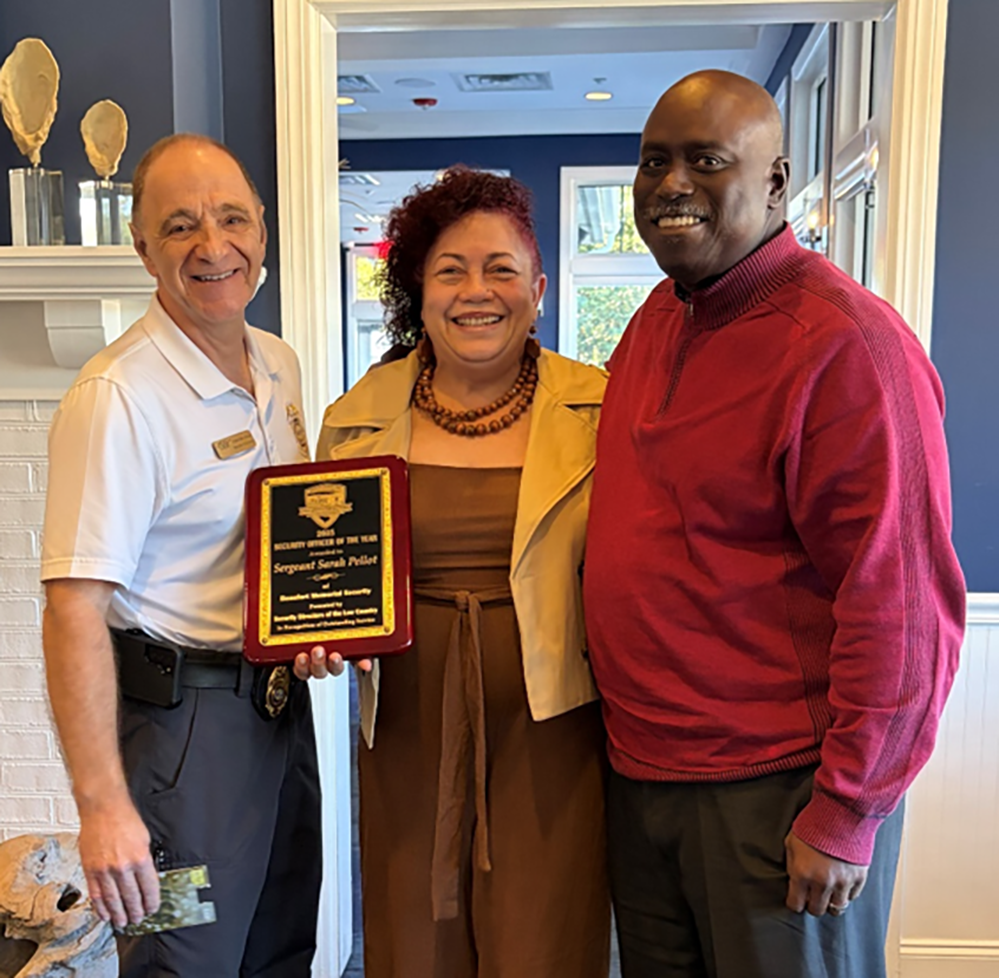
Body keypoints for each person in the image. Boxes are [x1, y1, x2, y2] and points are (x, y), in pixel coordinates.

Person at [584, 70, 966, 978]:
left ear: (775, 183)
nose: (670, 185)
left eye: (705, 161)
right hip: (642, 777)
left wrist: (847, 810)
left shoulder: (847, 347)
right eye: (653, 163)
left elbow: (904, 605)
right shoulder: (654, 321)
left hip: (777, 792)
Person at [40, 134, 345, 977]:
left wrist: (310, 627)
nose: (213, 246)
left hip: (278, 718)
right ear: (142, 248)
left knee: (281, 946)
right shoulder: (117, 397)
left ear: (263, 233)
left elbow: (282, 553)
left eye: (231, 218)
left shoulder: (277, 364)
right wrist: (102, 805)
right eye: (180, 227)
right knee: (185, 956)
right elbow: (72, 607)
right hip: (181, 739)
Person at [317, 166, 610, 978]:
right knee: (416, 938)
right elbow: (324, 577)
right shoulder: (355, 417)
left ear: (538, 288)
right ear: (419, 285)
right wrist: (316, 638)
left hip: (557, 730)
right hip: (409, 727)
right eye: (449, 270)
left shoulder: (603, 408)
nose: (475, 291)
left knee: (545, 941)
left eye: (500, 269)